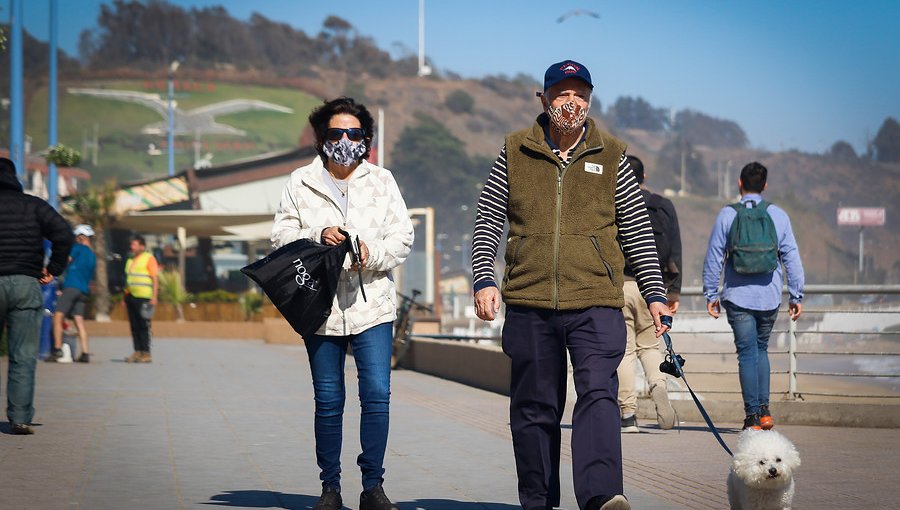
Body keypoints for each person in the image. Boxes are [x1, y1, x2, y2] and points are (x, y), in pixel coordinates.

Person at [471, 61, 670, 510]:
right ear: (542, 99)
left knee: (599, 394)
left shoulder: (612, 153)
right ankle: (538, 500)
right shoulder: (514, 150)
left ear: (590, 101)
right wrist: (485, 278)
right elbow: (487, 221)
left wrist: (655, 295)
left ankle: (601, 497)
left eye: (581, 94)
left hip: (597, 300)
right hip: (528, 299)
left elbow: (637, 231)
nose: (572, 102)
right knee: (534, 407)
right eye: (562, 93)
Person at [271, 97, 413, 510]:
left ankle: (373, 487)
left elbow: (401, 237)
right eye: (336, 133)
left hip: (374, 306)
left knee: (377, 394)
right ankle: (329, 488)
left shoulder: (383, 181)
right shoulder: (300, 181)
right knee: (329, 400)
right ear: (322, 139)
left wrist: (372, 255)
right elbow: (280, 236)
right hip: (320, 307)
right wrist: (319, 233)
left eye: (353, 133)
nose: (345, 140)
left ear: (365, 140)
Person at [702, 161, 804, 431]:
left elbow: (714, 256)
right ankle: (765, 412)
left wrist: (711, 293)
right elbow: (791, 257)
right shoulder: (778, 215)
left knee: (747, 353)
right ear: (765, 185)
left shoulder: (727, 214)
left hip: (737, 297)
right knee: (761, 350)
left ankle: (751, 418)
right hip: (769, 297)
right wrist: (796, 295)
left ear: (739, 183)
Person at [0, 157, 74, 434]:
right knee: (23, 355)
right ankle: (19, 418)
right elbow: (64, 234)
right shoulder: (34, 205)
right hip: (25, 284)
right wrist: (52, 269)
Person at [616, 155, 680, 433]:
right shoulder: (663, 205)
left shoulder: (615, 202)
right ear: (644, 177)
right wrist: (673, 291)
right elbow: (675, 248)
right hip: (653, 288)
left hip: (620, 284)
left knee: (625, 351)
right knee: (651, 347)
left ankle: (628, 415)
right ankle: (658, 386)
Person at [49, 224, 96, 363]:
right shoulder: (93, 255)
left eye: (76, 237)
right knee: (79, 321)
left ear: (81, 237)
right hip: (83, 290)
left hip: (71, 286)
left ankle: (57, 350)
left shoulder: (78, 248)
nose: (75, 239)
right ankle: (85, 353)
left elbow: (65, 260)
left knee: (57, 316)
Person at [124, 235, 158, 363]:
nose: (132, 247)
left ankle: (146, 352)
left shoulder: (149, 258)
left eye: (134, 244)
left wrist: (154, 296)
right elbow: (129, 280)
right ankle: (137, 351)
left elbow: (155, 278)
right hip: (131, 296)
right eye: (131, 244)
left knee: (144, 325)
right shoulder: (130, 260)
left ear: (142, 246)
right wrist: (125, 296)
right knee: (134, 325)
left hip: (144, 297)